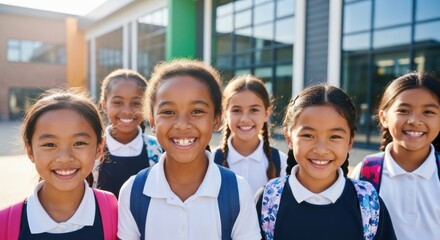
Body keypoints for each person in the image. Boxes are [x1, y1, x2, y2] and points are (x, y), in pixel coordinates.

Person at [117, 59, 261, 240]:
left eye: (197, 111)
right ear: (153, 122)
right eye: (168, 112)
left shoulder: (237, 191)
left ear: (216, 119)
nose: (182, 125)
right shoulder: (133, 191)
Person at [256, 84, 396, 240]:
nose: (321, 149)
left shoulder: (368, 203)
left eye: (334, 137)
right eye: (308, 135)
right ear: (289, 138)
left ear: (350, 140)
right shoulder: (269, 200)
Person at [0, 89, 118, 239]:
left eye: (79, 143)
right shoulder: (5, 224)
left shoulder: (115, 213)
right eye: (49, 144)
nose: (64, 158)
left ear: (99, 148)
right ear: (30, 151)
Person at [350, 72, 440, 240]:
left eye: (428, 112)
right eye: (403, 110)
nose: (415, 120)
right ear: (384, 117)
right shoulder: (366, 172)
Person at [213, 75, 288, 195]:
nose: (245, 119)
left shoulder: (282, 162)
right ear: (224, 114)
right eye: (236, 110)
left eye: (254, 110)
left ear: (266, 113)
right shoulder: (211, 161)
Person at [95, 69, 163, 198]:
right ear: (104, 105)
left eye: (136, 103)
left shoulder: (158, 149)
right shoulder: (93, 150)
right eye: (118, 103)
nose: (127, 110)